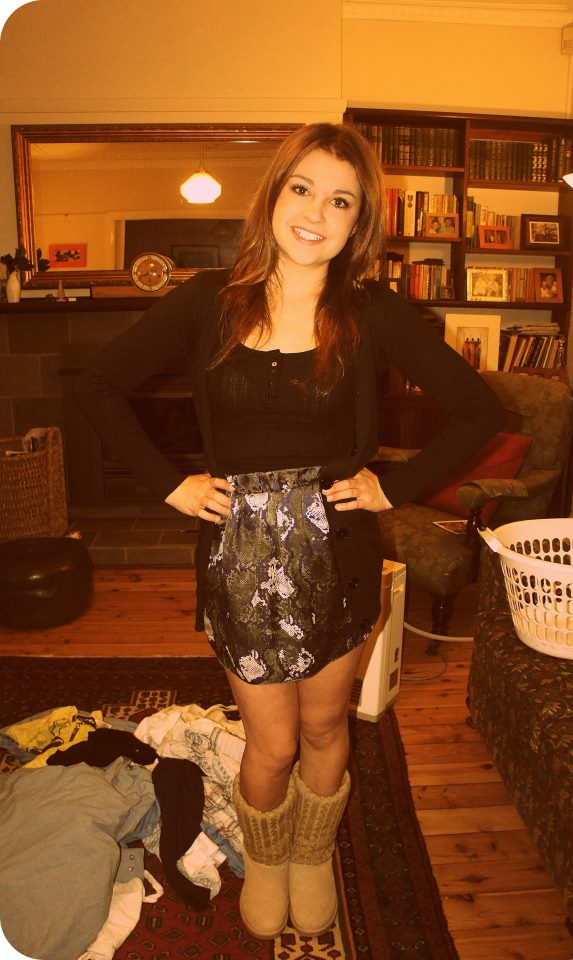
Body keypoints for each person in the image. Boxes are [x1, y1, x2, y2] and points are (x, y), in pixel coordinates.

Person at [75, 123, 504, 941]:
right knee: (270, 746)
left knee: (324, 726)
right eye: (301, 189)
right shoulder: (208, 301)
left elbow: (476, 409)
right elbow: (96, 386)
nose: (315, 213)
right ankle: (267, 855)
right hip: (237, 562)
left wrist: (391, 486)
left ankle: (311, 852)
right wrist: (169, 483)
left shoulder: (371, 313)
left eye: (339, 200)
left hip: (339, 556)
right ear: (273, 195)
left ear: (358, 221)